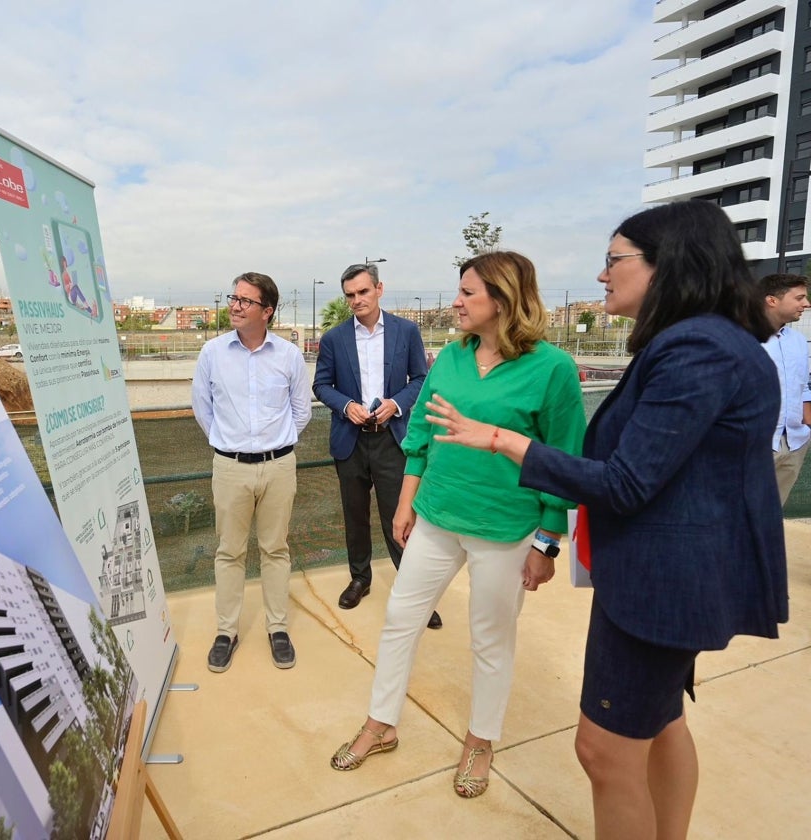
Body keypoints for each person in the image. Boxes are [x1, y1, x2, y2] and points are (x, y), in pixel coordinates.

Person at [424, 201, 788, 838]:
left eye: (614, 259)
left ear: (665, 265)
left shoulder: (697, 348)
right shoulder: (707, 342)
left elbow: (625, 482)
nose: (601, 275)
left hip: (660, 589)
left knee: (604, 750)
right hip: (671, 579)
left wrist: (503, 442)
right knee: (664, 722)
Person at [328, 251, 586, 800]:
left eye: (468, 292)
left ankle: (480, 740)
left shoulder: (553, 369)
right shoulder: (451, 355)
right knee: (400, 618)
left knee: (491, 639)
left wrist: (546, 541)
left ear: (503, 298)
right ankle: (382, 722)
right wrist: (406, 503)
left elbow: (564, 461)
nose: (456, 301)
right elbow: (420, 430)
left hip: (505, 529)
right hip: (438, 518)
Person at [192, 272, 312, 672]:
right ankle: (227, 631)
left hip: (280, 467)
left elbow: (301, 411)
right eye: (234, 297)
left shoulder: (289, 355)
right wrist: (230, 445)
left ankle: (277, 628)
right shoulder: (212, 353)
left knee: (276, 549)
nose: (236, 305)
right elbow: (202, 408)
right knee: (229, 551)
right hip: (229, 468)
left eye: (246, 300)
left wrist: (275, 445)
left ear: (267, 311)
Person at [313, 263, 441, 629]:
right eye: (350, 295)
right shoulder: (334, 339)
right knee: (354, 516)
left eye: (363, 292)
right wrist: (346, 406)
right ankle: (360, 579)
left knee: (399, 519)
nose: (357, 300)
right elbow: (321, 386)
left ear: (379, 289)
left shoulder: (406, 331)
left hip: (392, 440)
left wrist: (396, 404)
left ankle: (414, 593)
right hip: (350, 442)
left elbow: (420, 379)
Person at [760, 273, 811, 505]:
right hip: (756, 443)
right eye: (799, 298)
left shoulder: (798, 341)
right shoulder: (741, 337)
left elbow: (804, 384)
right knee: (737, 516)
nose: (806, 304)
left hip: (795, 443)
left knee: (771, 515)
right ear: (772, 300)